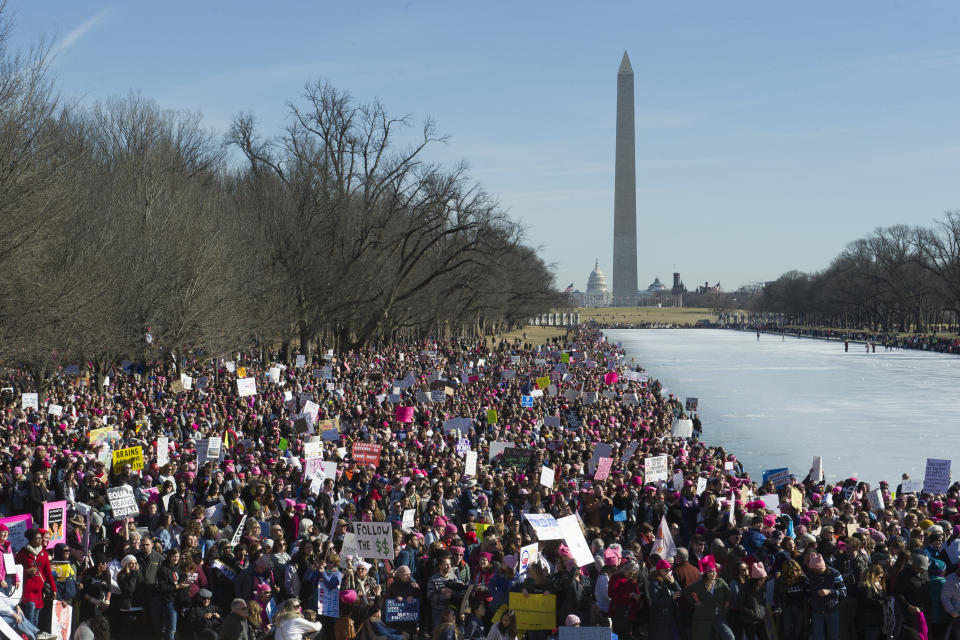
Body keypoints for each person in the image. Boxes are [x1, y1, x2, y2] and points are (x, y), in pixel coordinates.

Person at [683, 555, 733, 640]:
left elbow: (729, 595)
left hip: (718, 616)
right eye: (711, 572)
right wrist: (695, 601)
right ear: (706, 573)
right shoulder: (699, 585)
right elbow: (686, 592)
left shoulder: (720, 582)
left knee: (730, 637)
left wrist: (725, 607)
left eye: (715, 571)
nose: (714, 574)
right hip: (703, 617)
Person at [15, 528, 56, 628]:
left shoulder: (43, 554)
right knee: (30, 612)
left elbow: (48, 574)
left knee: (36, 615)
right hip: (27, 589)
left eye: (40, 538)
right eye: (37, 538)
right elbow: (15, 570)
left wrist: (54, 589)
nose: (40, 540)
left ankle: (34, 635)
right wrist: (26, 571)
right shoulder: (23, 553)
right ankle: (30, 636)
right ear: (31, 540)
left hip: (39, 590)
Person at [806, 552, 846, 640]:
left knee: (833, 636)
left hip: (832, 610)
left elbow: (843, 592)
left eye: (815, 570)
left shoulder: (835, 573)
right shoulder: (810, 574)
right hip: (816, 611)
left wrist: (830, 592)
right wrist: (811, 601)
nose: (813, 571)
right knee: (818, 637)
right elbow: (807, 590)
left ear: (820, 567)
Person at [647, 559, 681, 640]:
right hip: (660, 618)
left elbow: (680, 592)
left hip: (670, 616)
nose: (668, 572)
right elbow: (656, 602)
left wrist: (674, 583)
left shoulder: (668, 581)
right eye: (666, 570)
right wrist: (671, 597)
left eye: (670, 570)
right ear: (659, 571)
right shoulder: (654, 584)